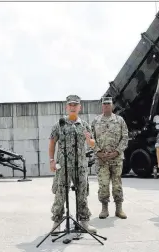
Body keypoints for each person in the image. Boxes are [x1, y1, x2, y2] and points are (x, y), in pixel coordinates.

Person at [49, 95, 97, 234]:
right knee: (60, 194)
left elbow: (93, 143)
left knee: (82, 193)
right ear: (66, 107)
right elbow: (52, 142)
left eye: (75, 105)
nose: (73, 107)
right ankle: (57, 222)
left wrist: (89, 141)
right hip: (63, 166)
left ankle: (84, 222)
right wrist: (52, 160)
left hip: (80, 165)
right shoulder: (60, 124)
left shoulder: (85, 125)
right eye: (70, 105)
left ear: (79, 107)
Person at [91, 96, 129, 219]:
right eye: (104, 104)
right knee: (103, 184)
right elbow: (91, 140)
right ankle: (104, 209)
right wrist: (98, 152)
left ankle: (119, 209)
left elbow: (125, 137)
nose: (106, 106)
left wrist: (117, 152)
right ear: (102, 106)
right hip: (101, 159)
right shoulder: (95, 121)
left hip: (116, 159)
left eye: (108, 104)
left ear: (112, 106)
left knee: (117, 184)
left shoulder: (120, 120)